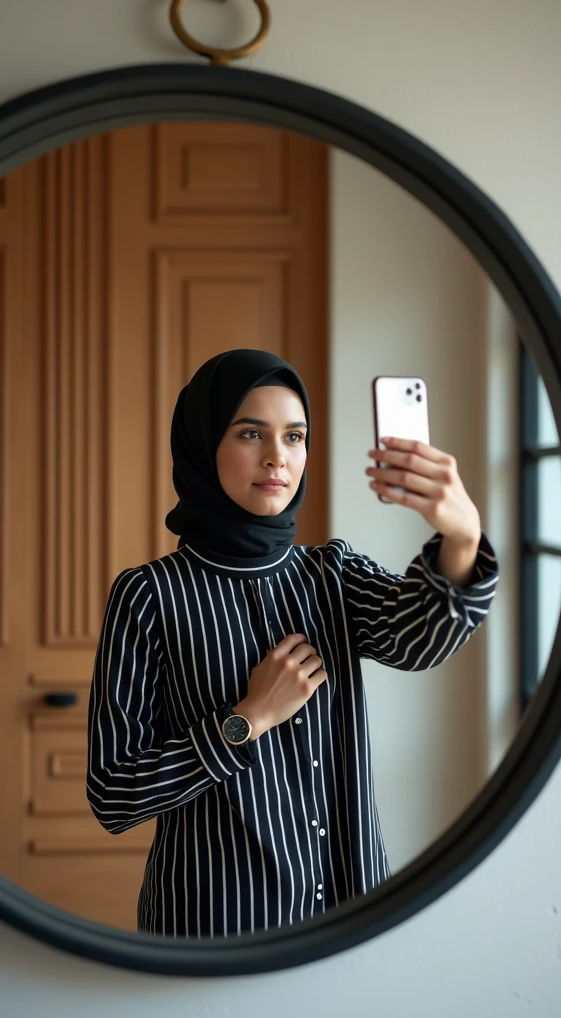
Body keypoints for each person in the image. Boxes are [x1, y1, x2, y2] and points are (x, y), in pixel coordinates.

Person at [86, 348, 498, 939]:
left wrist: (460, 536)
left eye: (295, 436)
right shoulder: (148, 595)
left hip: (352, 919)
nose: (278, 456)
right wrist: (245, 720)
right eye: (251, 432)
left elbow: (420, 639)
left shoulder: (333, 574)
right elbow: (114, 793)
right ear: (204, 444)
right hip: (216, 928)